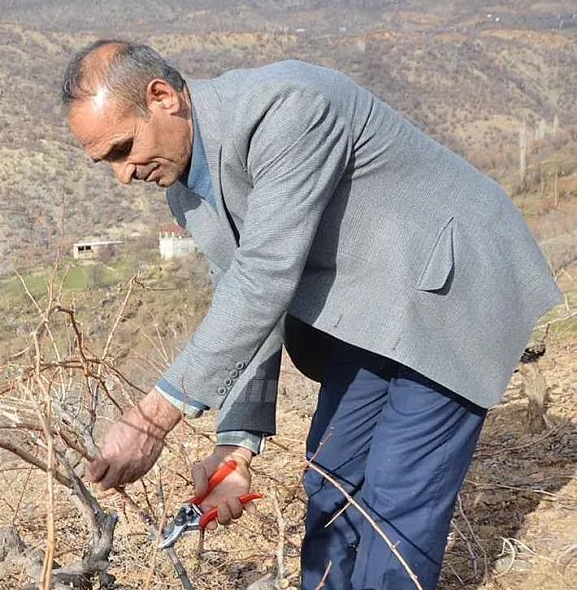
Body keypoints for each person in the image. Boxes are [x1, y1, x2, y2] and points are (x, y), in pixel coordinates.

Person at [61, 40, 560, 590]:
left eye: (121, 149)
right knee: (330, 477)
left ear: (162, 98)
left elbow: (264, 278)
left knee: (395, 497)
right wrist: (235, 445)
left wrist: (150, 419)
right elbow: (244, 295)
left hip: (454, 281)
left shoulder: (284, 108)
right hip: (375, 305)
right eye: (104, 161)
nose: (122, 175)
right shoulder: (184, 187)